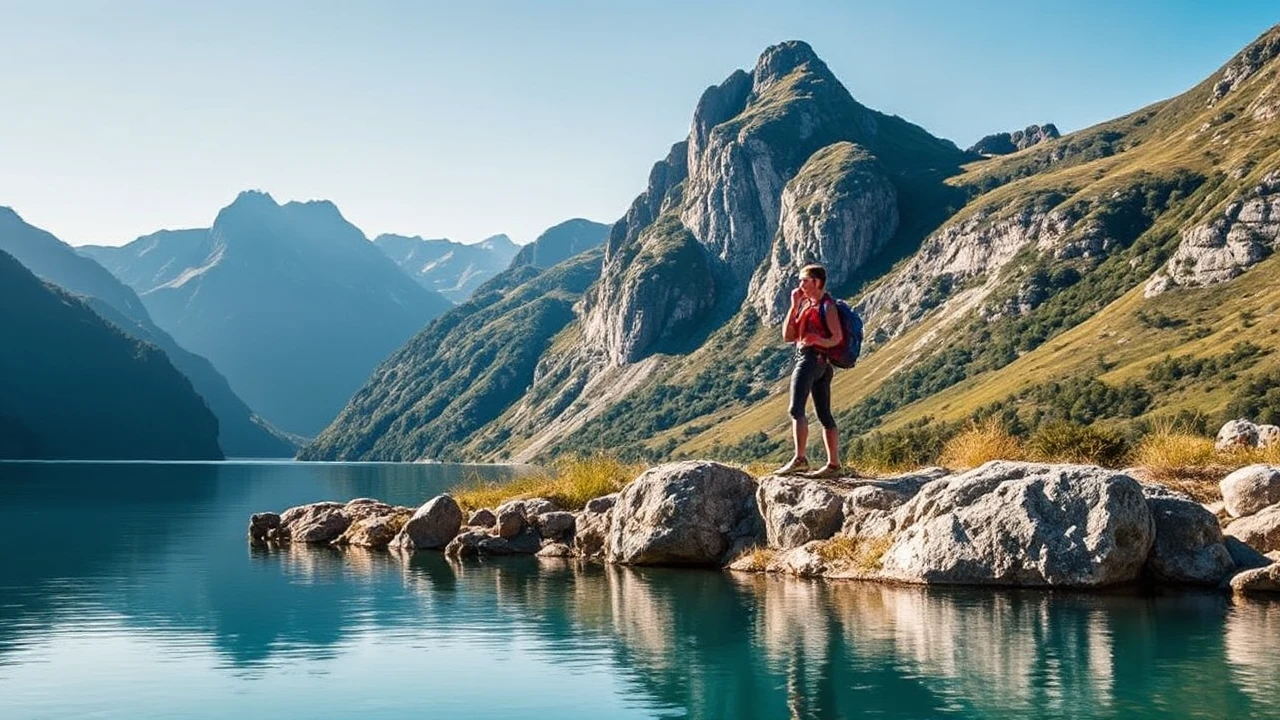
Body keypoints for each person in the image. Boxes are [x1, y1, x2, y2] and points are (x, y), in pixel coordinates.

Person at [777, 264, 843, 478]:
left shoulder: (828, 306)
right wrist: (794, 306)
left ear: (816, 282)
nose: (800, 285)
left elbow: (837, 337)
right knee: (824, 414)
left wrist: (818, 339)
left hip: (810, 361)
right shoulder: (805, 305)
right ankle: (833, 465)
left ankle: (800, 459)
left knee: (796, 409)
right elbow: (788, 336)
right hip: (820, 364)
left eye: (804, 280)